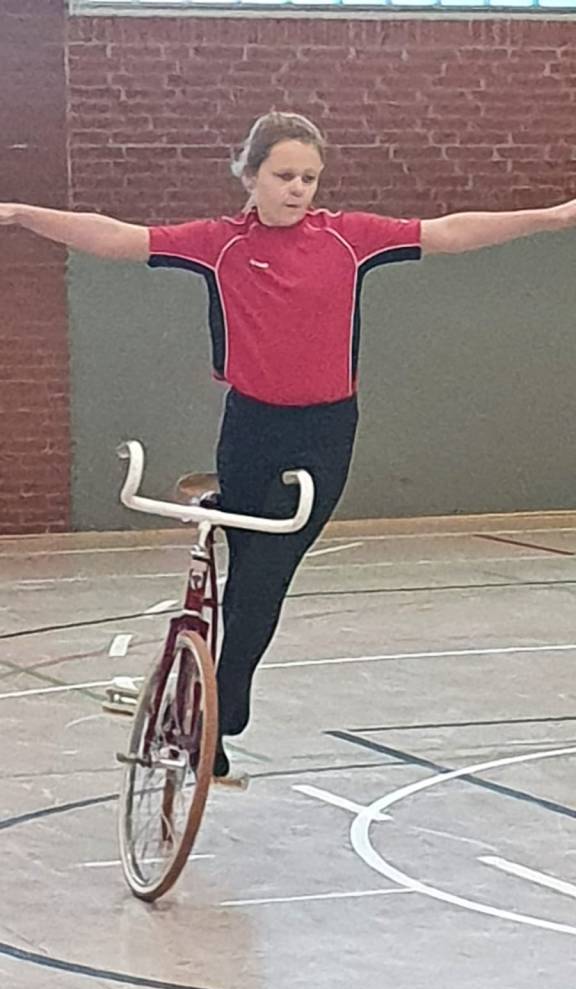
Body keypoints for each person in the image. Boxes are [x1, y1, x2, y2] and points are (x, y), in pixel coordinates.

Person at [2, 111, 576, 778]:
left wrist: (554, 217)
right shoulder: (219, 244)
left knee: (270, 573)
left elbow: (450, 232)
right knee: (251, 575)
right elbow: (118, 239)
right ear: (251, 176)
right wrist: (22, 213)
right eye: (283, 176)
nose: (298, 189)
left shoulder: (347, 239)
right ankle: (217, 716)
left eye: (309, 177)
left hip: (326, 432)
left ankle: (222, 705)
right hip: (252, 428)